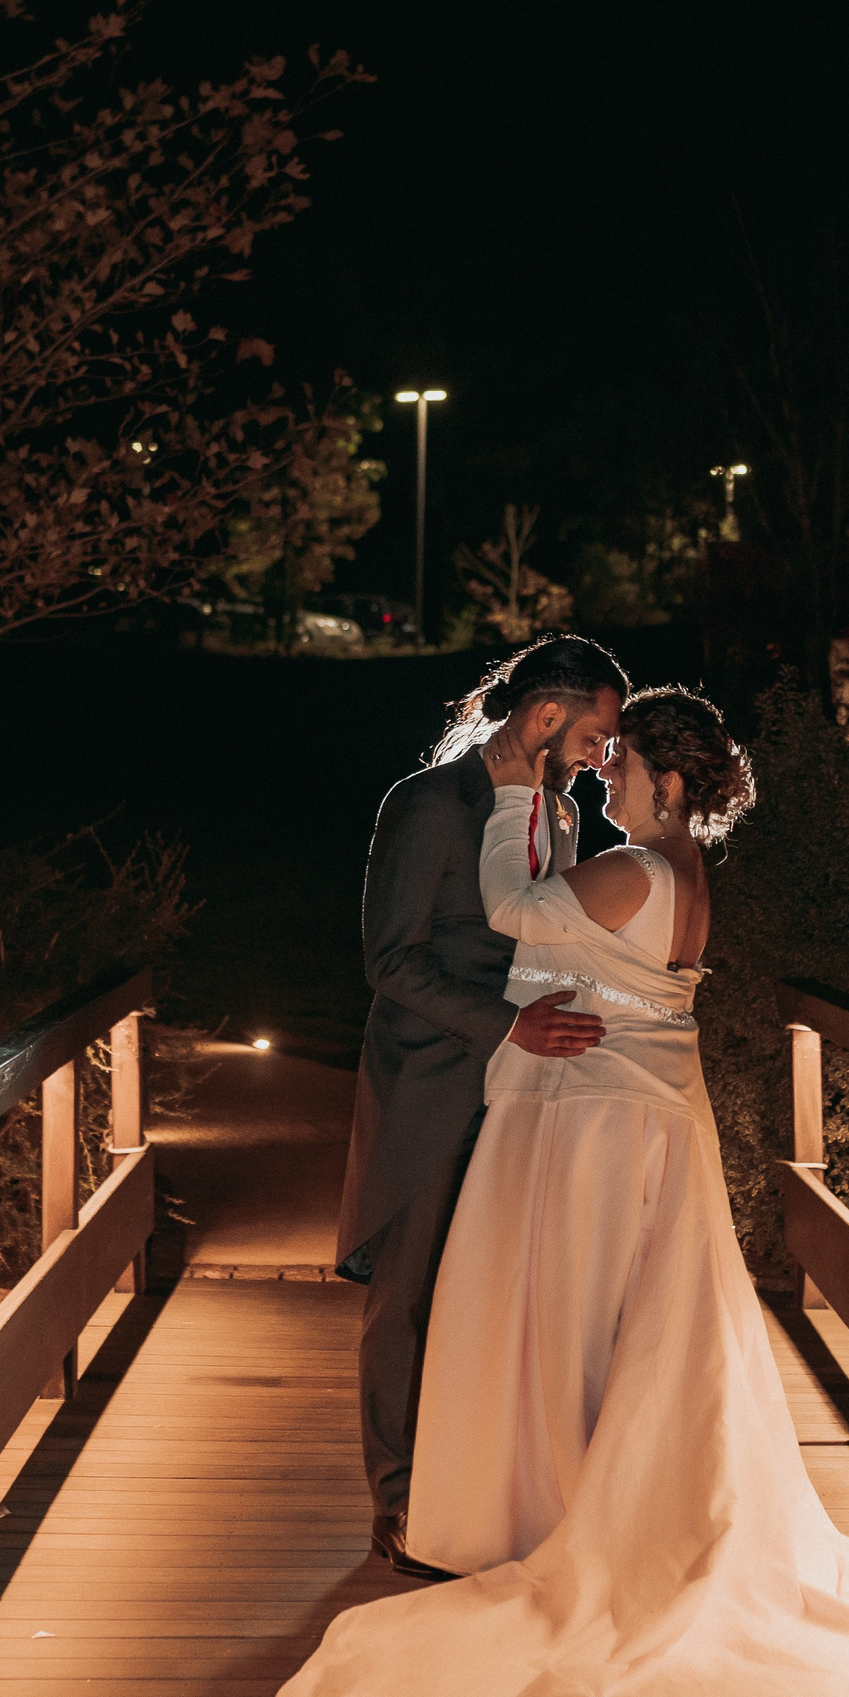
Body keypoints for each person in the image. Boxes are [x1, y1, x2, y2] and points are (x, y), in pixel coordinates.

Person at [276, 688, 849, 1697]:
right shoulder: (685, 878)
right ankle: (582, 1492)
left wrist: (515, 782)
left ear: (670, 782)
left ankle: (571, 1513)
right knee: (629, 1324)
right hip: (640, 1118)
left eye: (624, 762)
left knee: (571, 1316)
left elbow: (508, 905)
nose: (605, 772)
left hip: (596, 1128)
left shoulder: (637, 869)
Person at [338, 634, 631, 1579]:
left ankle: (477, 1488)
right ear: (545, 718)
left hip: (527, 1091)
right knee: (409, 1296)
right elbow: (391, 961)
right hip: (432, 1081)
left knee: (495, 1294)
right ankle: (397, 1499)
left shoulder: (560, 813)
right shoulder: (427, 805)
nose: (602, 756)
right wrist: (511, 1027)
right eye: (594, 735)